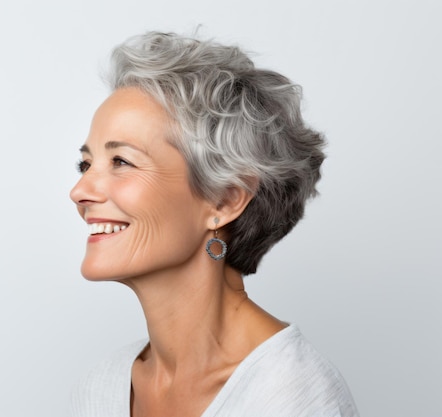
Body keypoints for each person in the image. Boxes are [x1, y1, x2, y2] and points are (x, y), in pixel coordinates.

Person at [69, 31, 359, 417]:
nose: (79, 190)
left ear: (224, 200)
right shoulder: (103, 387)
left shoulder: (290, 396)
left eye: (121, 161)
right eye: (85, 165)